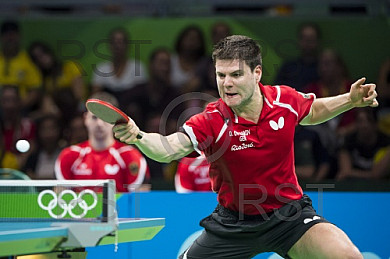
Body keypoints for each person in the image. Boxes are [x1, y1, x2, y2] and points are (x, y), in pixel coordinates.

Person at [113, 35, 377, 258]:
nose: (227, 83)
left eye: (236, 74)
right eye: (221, 75)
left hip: (289, 218)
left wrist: (350, 100)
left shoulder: (284, 100)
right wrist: (138, 136)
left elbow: (313, 110)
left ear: (257, 73)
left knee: (348, 256)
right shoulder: (211, 120)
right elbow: (169, 147)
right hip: (233, 224)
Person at [55, 92, 150, 192]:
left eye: (105, 118)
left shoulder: (130, 156)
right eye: (94, 117)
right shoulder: (69, 156)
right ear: (85, 118)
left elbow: (140, 201)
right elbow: (60, 200)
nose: (99, 124)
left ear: (116, 121)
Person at [28, 41, 86, 123]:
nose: (42, 59)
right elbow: (48, 107)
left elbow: (79, 95)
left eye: (43, 54)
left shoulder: (70, 67)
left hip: (78, 108)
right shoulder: (45, 81)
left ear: (49, 52)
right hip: (60, 115)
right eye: (37, 58)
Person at [91, 27, 148, 102]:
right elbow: (95, 96)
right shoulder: (101, 68)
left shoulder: (138, 67)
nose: (117, 46)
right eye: (114, 42)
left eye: (121, 42)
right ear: (110, 45)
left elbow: (142, 96)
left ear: (127, 45)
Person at [0, 20, 42, 113]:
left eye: (13, 35)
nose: (10, 38)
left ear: (19, 36)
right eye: (7, 35)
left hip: (20, 108)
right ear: (2, 37)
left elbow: (35, 90)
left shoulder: (28, 60)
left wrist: (17, 106)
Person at [337, 107, 390, 180]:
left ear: (375, 124)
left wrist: (352, 173)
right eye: (360, 121)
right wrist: (370, 174)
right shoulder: (348, 141)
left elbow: (377, 175)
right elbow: (345, 172)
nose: (364, 125)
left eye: (369, 120)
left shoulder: (386, 143)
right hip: (352, 186)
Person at [274, 22, 321, 92]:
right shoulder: (288, 67)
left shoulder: (324, 68)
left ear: (318, 41)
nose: (308, 42)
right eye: (305, 38)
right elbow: (276, 91)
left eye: (311, 38)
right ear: (299, 41)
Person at [23, 114, 64, 179]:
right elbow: (28, 177)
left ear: (59, 131)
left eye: (52, 128)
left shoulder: (65, 155)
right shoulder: (33, 158)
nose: (48, 133)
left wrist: (37, 178)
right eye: (44, 129)